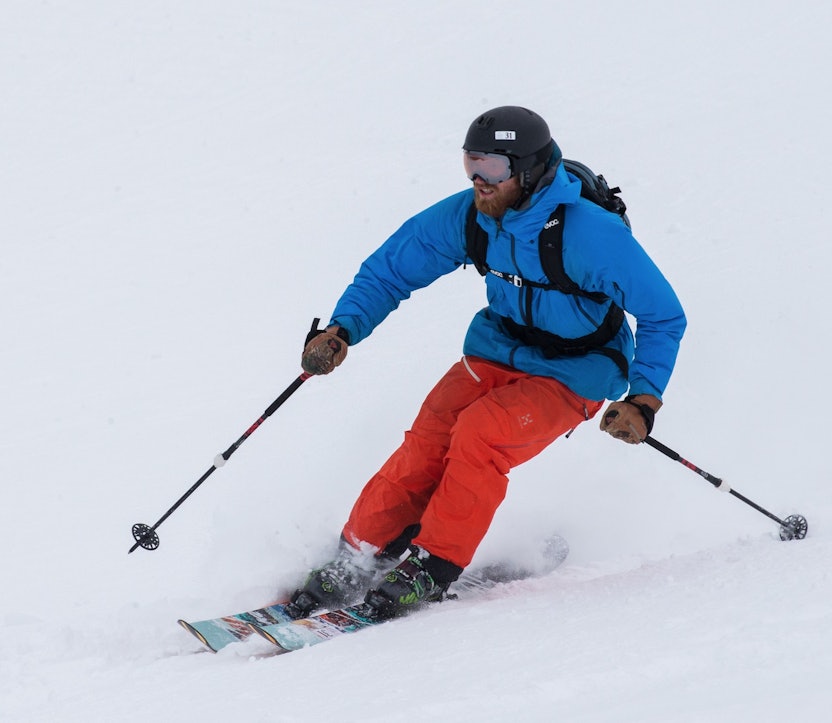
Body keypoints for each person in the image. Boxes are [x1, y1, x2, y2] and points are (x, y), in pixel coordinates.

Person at [290, 106, 687, 620]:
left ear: (529, 171)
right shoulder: (473, 216)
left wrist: (644, 398)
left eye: (493, 169)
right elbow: (393, 268)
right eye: (470, 164)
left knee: (480, 434)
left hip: (576, 368)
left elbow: (663, 316)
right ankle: (359, 553)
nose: (480, 181)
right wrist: (343, 328)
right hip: (497, 347)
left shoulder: (591, 235)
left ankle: (432, 568)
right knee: (430, 437)